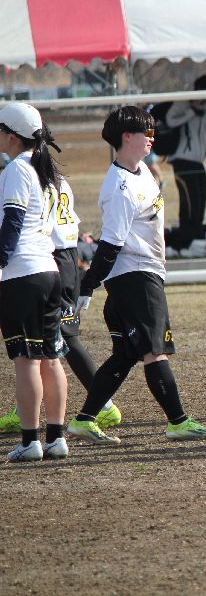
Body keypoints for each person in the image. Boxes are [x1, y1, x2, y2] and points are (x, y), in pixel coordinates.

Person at [68, 106, 206, 445]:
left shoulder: (142, 172)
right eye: (146, 132)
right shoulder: (121, 186)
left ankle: (83, 420)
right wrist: (88, 285)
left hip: (140, 274)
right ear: (127, 137)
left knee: (125, 354)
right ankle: (178, 421)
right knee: (155, 350)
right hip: (134, 277)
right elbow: (110, 245)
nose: (152, 137)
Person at [0, 173, 122, 436]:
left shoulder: (29, 177)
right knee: (43, 339)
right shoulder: (56, 177)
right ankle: (24, 410)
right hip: (64, 254)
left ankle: (103, 404)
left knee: (62, 337)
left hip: (52, 255)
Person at [0, 102, 70, 462]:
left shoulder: (17, 169)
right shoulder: (45, 170)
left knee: (26, 360)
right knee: (50, 358)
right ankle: (56, 437)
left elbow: (11, 224)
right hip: (49, 271)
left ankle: (30, 441)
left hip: (23, 274)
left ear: (12, 137)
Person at [166, 74, 206, 254]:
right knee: (189, 204)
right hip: (182, 162)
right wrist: (191, 111)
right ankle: (183, 243)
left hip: (198, 163)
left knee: (201, 201)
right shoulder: (182, 103)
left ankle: (194, 240)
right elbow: (170, 120)